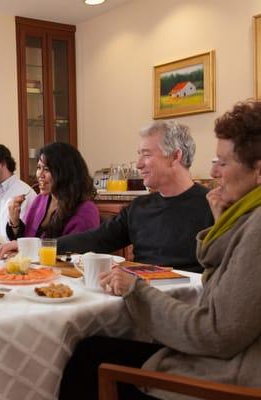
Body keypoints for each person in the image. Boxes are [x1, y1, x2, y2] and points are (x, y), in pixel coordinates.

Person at [59, 100, 261, 400]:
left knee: (86, 358)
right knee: (90, 348)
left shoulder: (248, 223)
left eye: (223, 162)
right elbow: (100, 237)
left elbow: (215, 332)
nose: (214, 171)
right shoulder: (237, 214)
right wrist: (41, 244)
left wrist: (137, 290)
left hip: (220, 372)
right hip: (191, 334)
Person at [53, 121, 214, 272]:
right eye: (139, 155)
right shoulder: (139, 207)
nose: (138, 164)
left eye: (147, 155)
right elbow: (97, 239)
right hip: (138, 293)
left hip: (186, 298)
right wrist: (45, 246)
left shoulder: (213, 206)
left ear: (175, 156)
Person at [0, 142, 100, 257]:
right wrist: (14, 222)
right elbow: (25, 241)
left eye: (46, 169)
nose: (39, 175)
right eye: (38, 167)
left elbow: (74, 252)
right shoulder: (40, 200)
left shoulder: (86, 210)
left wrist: (26, 249)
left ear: (65, 172)